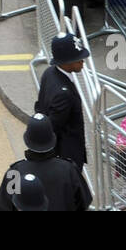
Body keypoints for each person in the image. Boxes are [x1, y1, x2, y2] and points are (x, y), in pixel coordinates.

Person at [0, 113, 88, 211]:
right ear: (52, 139)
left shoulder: (15, 173)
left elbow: (3, 207)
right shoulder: (68, 169)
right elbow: (84, 202)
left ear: (27, 139)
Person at [35, 33, 89, 174]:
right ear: (66, 62)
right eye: (79, 59)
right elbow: (54, 126)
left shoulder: (49, 72)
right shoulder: (63, 93)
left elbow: (40, 107)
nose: (83, 61)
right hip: (66, 156)